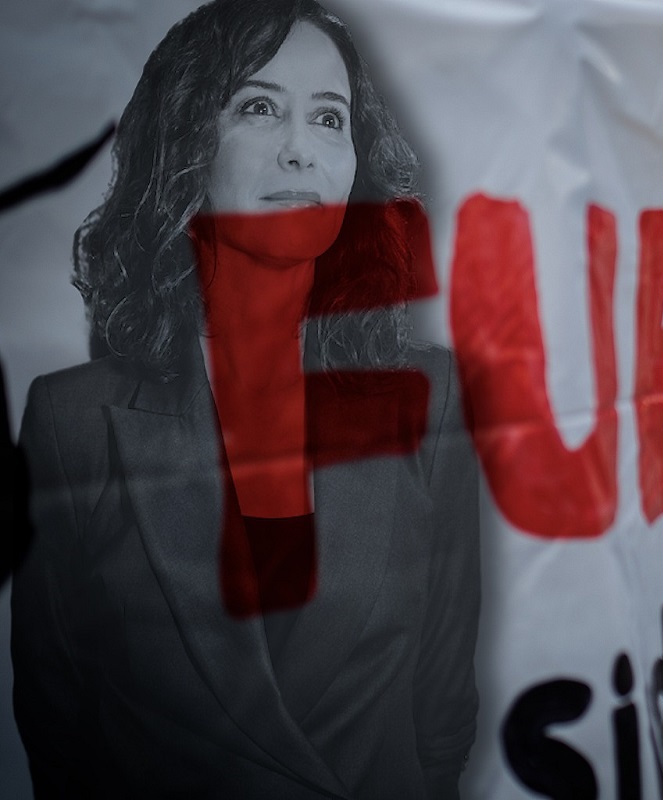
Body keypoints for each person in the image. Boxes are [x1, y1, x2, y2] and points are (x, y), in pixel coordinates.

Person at [10, 1, 480, 798]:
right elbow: (59, 729)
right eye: (259, 108)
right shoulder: (71, 424)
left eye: (330, 119)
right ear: (186, 147)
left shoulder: (428, 402)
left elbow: (441, 708)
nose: (302, 150)